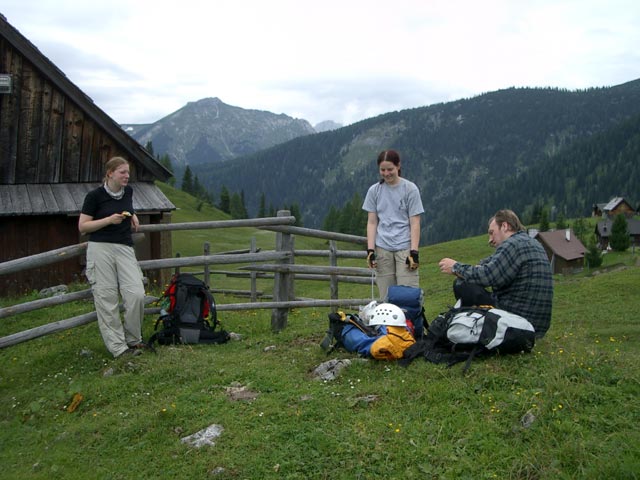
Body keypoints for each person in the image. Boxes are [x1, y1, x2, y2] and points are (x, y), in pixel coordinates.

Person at [438, 209, 553, 338]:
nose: (490, 240)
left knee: (462, 285)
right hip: (537, 326)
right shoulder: (533, 243)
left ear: (505, 226)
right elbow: (491, 263)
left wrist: (455, 267)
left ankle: (469, 327)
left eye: (492, 233)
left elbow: (487, 276)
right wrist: (476, 268)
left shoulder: (512, 244)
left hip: (516, 321)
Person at [78, 156, 147, 358]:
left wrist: (132, 215)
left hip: (124, 247)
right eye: (123, 172)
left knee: (136, 294)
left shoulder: (128, 192)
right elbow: (83, 227)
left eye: (128, 172)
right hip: (100, 249)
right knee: (106, 297)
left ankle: (134, 339)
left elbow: (127, 207)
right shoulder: (94, 196)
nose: (127, 176)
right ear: (110, 174)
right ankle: (119, 349)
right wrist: (108, 220)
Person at [362, 149, 424, 300]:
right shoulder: (374, 191)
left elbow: (415, 222)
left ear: (398, 166)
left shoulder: (410, 189)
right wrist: (370, 250)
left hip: (405, 248)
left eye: (390, 169)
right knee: (386, 298)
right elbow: (372, 222)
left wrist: (414, 253)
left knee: (408, 297)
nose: (386, 173)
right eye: (382, 170)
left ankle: (410, 324)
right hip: (383, 248)